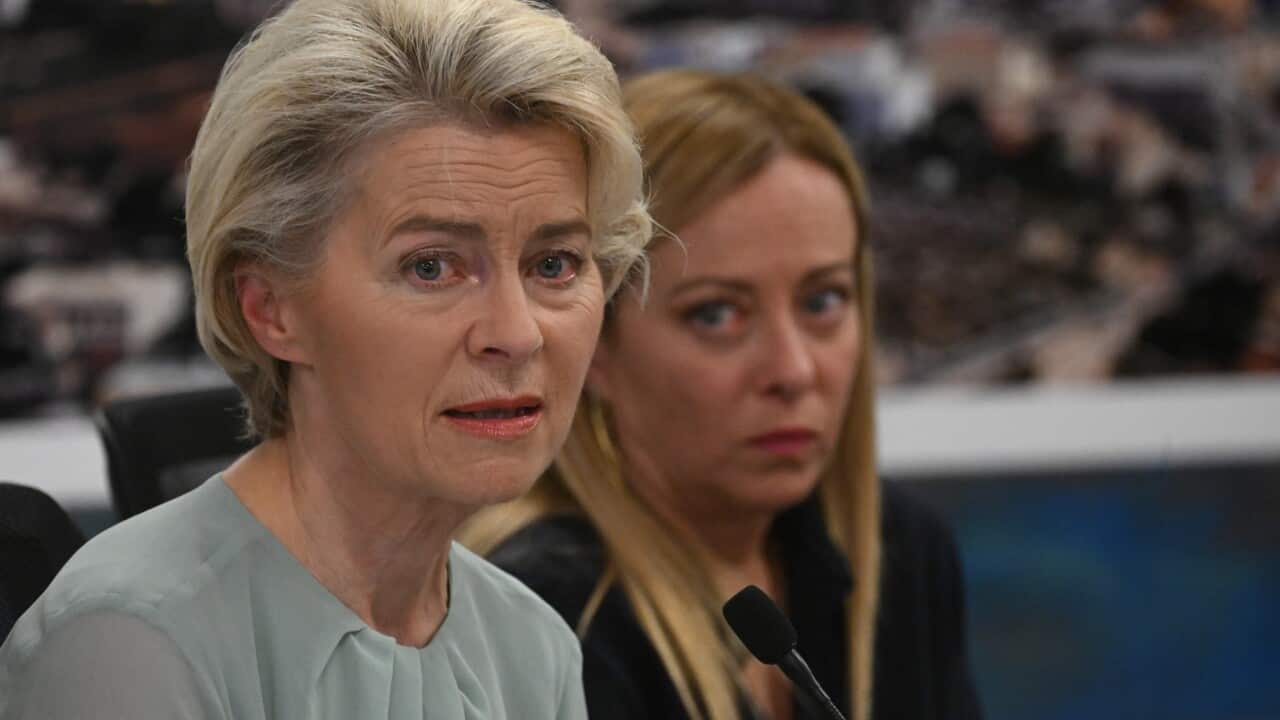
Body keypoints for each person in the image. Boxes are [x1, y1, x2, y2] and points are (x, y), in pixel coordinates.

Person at [0, 0, 650, 717]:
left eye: (555, 264)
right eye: (431, 267)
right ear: (271, 309)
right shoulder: (130, 643)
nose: (517, 334)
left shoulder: (531, 643)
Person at [465, 70, 982, 720]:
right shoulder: (539, 614)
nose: (793, 370)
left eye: (823, 301)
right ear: (593, 342)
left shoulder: (899, 551)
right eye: (716, 315)